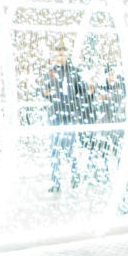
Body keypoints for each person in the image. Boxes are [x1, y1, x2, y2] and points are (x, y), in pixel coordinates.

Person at [45, 55, 90, 193]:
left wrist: (74, 105)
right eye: (57, 54)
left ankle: (75, 175)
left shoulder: (74, 72)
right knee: (54, 150)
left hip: (68, 116)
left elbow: (83, 92)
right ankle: (56, 181)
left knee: (68, 149)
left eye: (61, 54)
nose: (59, 57)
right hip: (55, 115)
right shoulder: (52, 72)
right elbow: (45, 91)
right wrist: (46, 93)